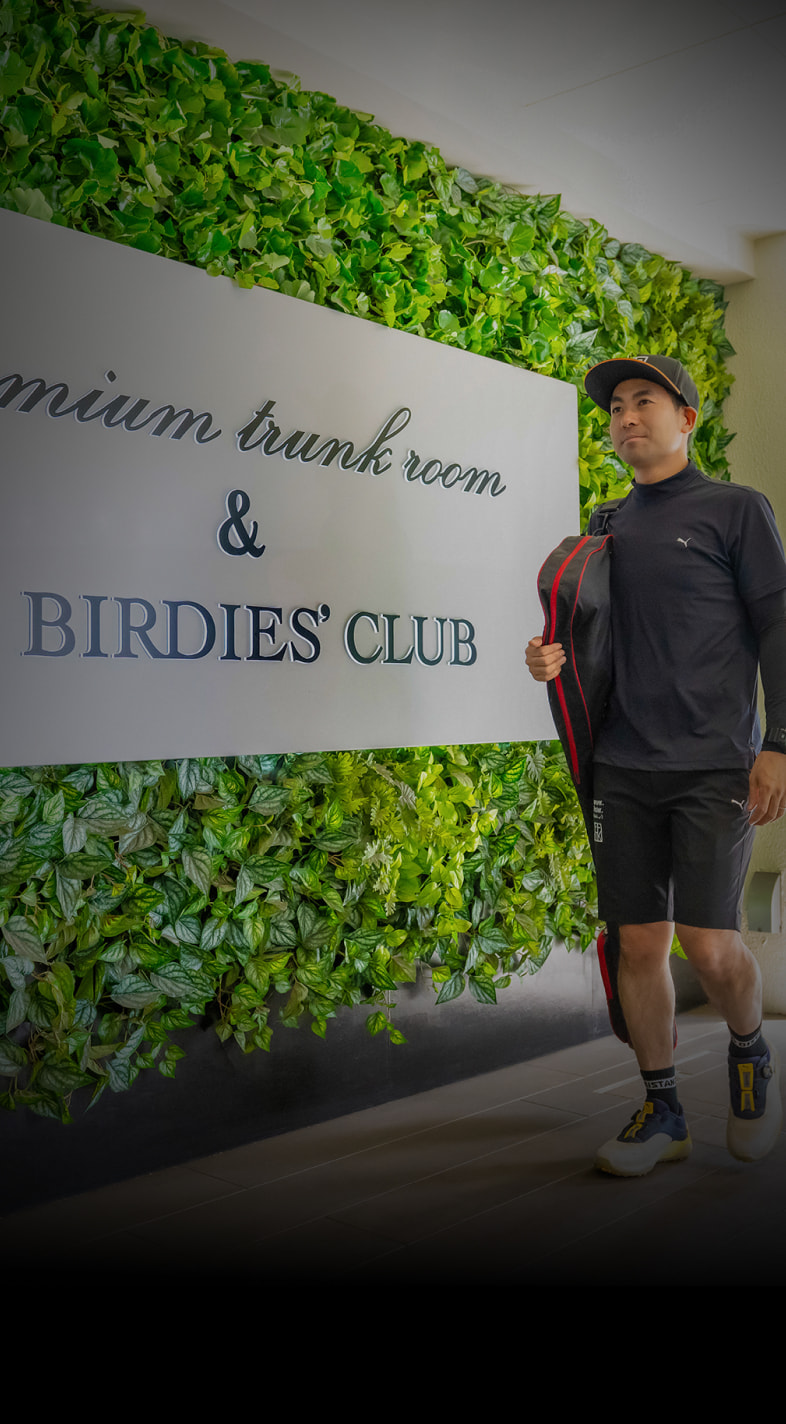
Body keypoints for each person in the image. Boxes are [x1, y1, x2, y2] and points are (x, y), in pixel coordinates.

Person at [526, 353, 786, 1176]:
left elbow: (780, 630)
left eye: (646, 401)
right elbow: (586, 644)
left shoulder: (737, 511)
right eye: (616, 408)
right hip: (623, 766)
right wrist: (545, 659)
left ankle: (749, 1052)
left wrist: (779, 746)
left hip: (715, 765)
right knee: (638, 942)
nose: (627, 417)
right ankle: (662, 1106)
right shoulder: (602, 529)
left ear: (687, 420)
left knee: (711, 948)